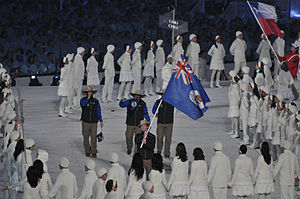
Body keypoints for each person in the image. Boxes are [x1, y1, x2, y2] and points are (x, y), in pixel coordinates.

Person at [119, 90, 150, 155]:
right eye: (136, 95)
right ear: (134, 96)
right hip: (130, 123)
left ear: (140, 96)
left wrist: (148, 121)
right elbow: (122, 105)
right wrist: (121, 102)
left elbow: (145, 113)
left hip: (139, 124)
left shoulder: (143, 103)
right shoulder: (129, 101)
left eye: (138, 96)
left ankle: (136, 151)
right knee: (128, 137)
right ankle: (129, 148)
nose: (137, 96)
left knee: (138, 139)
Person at [80, 86, 104, 158]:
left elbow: (98, 111)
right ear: (86, 93)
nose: (89, 93)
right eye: (88, 92)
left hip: (94, 122)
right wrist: (88, 98)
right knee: (86, 137)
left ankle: (93, 151)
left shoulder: (96, 101)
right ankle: (87, 150)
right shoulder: (83, 100)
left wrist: (101, 120)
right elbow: (83, 104)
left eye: (91, 92)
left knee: (94, 137)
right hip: (85, 121)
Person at [152, 90, 174, 158]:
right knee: (159, 138)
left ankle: (167, 152)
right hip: (160, 123)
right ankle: (159, 150)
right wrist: (156, 113)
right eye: (162, 94)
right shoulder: (158, 101)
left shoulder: (172, 102)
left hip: (169, 123)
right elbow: (154, 110)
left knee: (168, 139)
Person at [227, 71, 241, 138]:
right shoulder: (232, 85)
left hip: (234, 105)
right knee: (233, 118)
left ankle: (236, 132)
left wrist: (236, 104)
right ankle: (233, 130)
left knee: (235, 119)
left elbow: (238, 98)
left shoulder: (235, 87)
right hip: (232, 104)